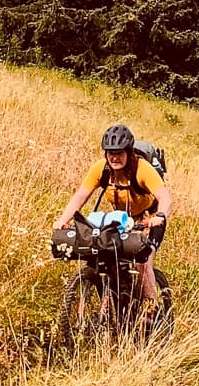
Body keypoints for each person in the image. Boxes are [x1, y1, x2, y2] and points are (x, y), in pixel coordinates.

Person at [54, 124, 171, 303]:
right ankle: (115, 301)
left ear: (129, 152)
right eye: (110, 153)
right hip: (123, 219)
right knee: (107, 255)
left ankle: (151, 310)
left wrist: (160, 216)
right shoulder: (101, 169)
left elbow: (165, 197)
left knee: (143, 264)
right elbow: (81, 195)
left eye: (119, 153)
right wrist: (63, 220)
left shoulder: (142, 169)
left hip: (149, 218)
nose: (114, 158)